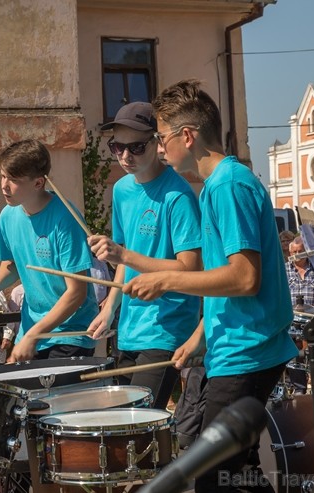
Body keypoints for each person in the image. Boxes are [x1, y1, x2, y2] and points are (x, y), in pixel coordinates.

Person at [123, 79, 297, 493]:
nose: (159, 148)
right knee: (233, 473)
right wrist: (201, 334)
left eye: (162, 138)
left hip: (248, 351)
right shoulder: (218, 187)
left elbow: (245, 277)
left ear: (187, 136)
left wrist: (167, 279)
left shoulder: (228, 185)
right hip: (232, 347)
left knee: (216, 477)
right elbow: (227, 278)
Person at [86, 101, 201, 410]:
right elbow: (123, 263)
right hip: (129, 328)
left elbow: (190, 267)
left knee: (138, 422)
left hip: (166, 327)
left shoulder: (178, 195)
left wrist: (123, 254)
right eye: (117, 147)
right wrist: (109, 309)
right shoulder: (121, 190)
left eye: (136, 147)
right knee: (122, 426)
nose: (125, 156)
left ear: (157, 142)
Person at [0, 140, 98, 362]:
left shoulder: (66, 218)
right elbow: (12, 264)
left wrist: (33, 334)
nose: (4, 185)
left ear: (38, 183)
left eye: (13, 180)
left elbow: (77, 292)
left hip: (70, 334)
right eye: (3, 176)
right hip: (31, 331)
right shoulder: (7, 216)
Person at [285, 237, 314, 395]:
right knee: (293, 357)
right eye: (294, 252)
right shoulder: (284, 269)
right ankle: (299, 388)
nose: (297, 255)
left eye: (300, 251)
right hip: (291, 320)